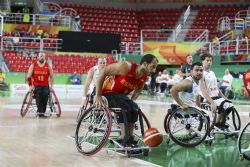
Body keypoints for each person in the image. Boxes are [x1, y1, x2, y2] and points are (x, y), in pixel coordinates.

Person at [94, 54, 158, 147]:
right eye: (153, 66)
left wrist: (132, 101)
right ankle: (124, 138)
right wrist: (98, 95)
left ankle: (130, 138)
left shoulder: (144, 77)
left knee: (134, 109)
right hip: (107, 92)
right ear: (145, 64)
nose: (154, 70)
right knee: (125, 107)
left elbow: (139, 89)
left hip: (121, 97)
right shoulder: (126, 66)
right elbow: (103, 71)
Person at [199, 53, 233, 129]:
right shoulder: (201, 74)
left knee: (230, 105)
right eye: (207, 60)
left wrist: (224, 97)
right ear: (202, 61)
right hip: (208, 98)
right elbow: (203, 91)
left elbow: (216, 88)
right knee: (226, 105)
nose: (209, 62)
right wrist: (211, 102)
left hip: (217, 97)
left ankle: (219, 122)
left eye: (210, 60)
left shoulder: (212, 73)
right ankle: (218, 123)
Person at [26, 52, 54, 118]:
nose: (42, 57)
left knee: (45, 95)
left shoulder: (48, 66)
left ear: (45, 58)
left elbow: (52, 77)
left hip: (45, 86)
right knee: (39, 95)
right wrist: (30, 86)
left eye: (43, 56)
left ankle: (42, 112)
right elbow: (28, 76)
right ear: (38, 57)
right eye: (41, 56)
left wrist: (51, 86)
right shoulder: (33, 65)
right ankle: (40, 112)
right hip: (36, 86)